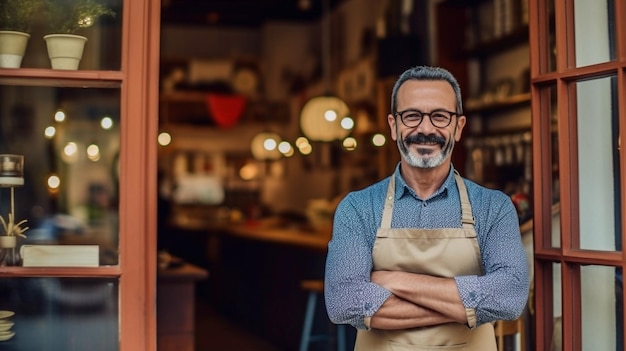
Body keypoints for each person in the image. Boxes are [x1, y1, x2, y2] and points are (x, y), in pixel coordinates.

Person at [324, 65, 529, 350]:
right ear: (394, 126)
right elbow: (344, 302)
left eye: (440, 116)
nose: (425, 128)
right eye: (411, 116)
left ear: (458, 128)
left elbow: (508, 297)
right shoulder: (357, 208)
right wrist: (462, 308)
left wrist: (395, 280)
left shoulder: (493, 207)